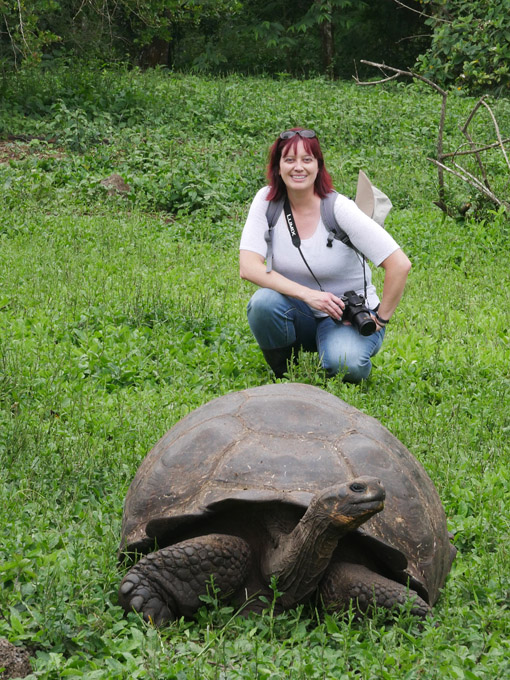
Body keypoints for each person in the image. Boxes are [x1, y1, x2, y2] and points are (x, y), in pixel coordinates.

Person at [239, 128, 411, 383]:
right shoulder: (267, 201)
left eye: (307, 160)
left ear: (319, 166)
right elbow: (248, 267)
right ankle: (286, 372)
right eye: (289, 160)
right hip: (299, 309)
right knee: (263, 304)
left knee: (347, 365)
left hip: (345, 317)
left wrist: (380, 319)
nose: (298, 167)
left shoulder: (338, 208)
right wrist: (309, 296)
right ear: (277, 167)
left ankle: (339, 349)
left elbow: (399, 264)